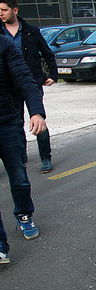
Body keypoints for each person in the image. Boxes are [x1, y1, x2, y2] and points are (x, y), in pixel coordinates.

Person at [0, 36, 47, 265]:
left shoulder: (4, 44)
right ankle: (0, 246)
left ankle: (24, 215)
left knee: (18, 177)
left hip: (7, 123)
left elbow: (24, 79)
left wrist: (36, 112)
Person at [0, 0, 57, 174]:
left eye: (4, 10)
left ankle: (45, 158)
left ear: (14, 10)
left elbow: (47, 54)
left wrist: (53, 76)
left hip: (31, 83)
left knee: (38, 118)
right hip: (9, 88)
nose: (1, 13)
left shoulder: (31, 31)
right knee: (15, 122)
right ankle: (19, 154)